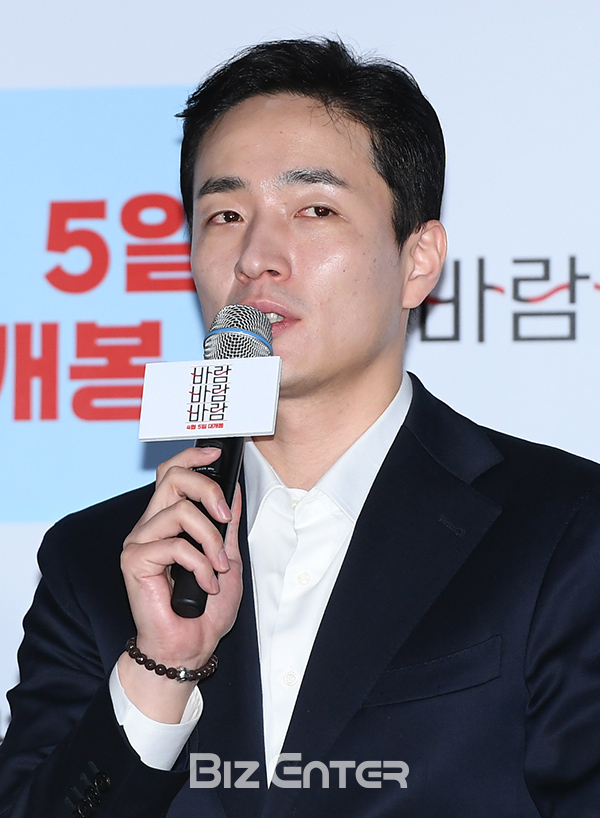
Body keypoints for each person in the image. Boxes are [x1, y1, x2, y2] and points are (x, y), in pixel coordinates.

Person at [2, 37, 600, 818]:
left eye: (315, 210)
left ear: (418, 261)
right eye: (225, 215)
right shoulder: (95, 562)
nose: (257, 257)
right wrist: (160, 668)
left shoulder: (564, 529)